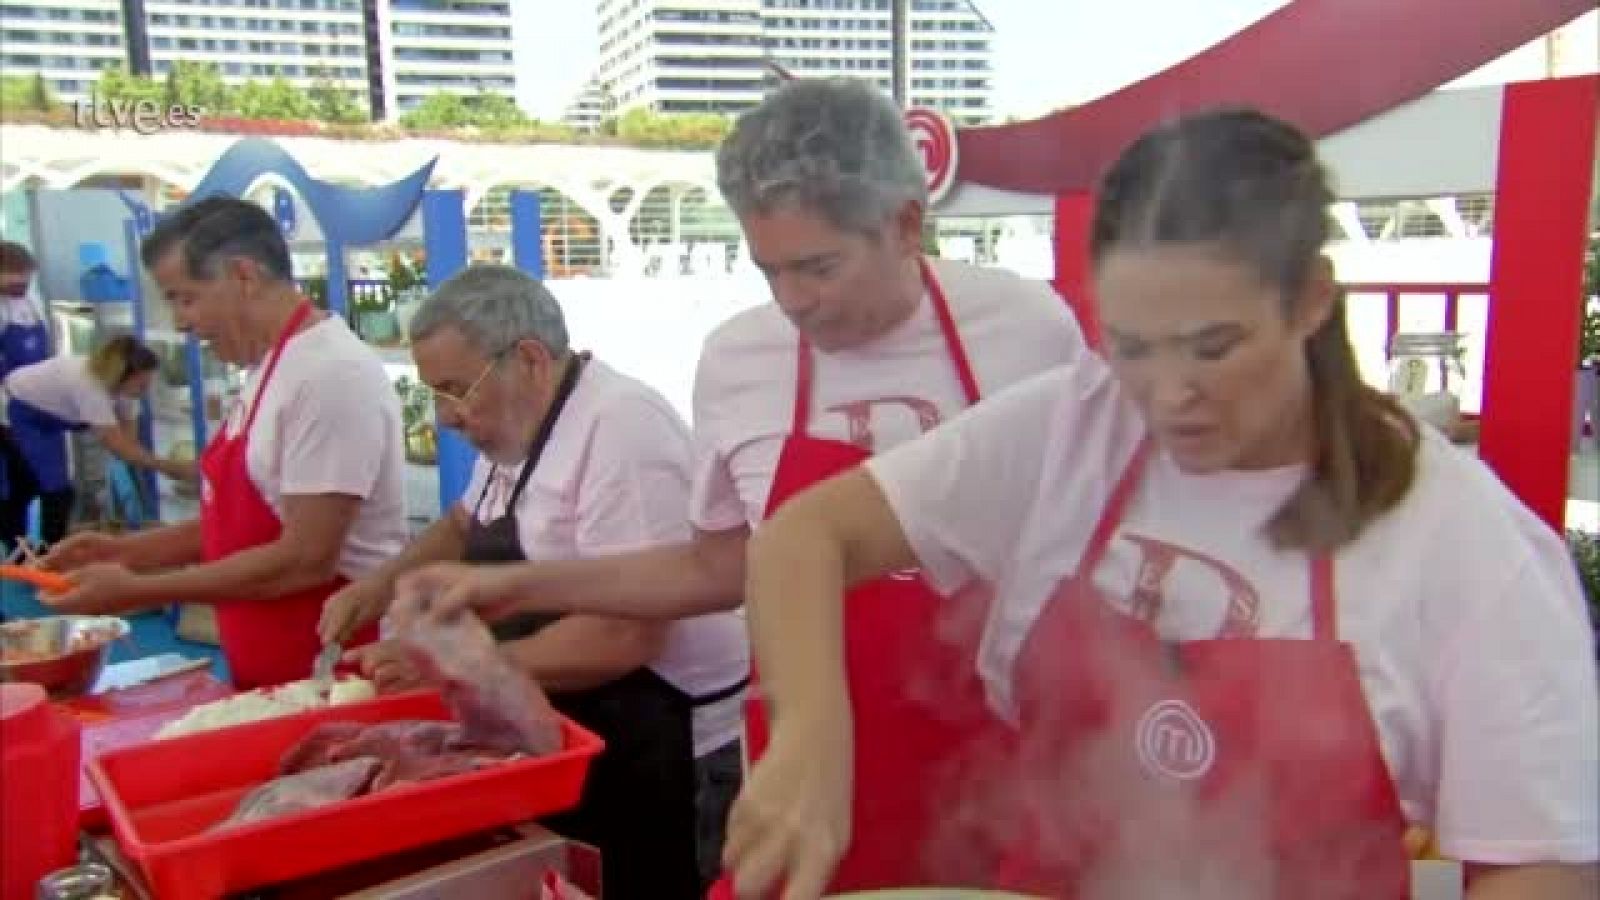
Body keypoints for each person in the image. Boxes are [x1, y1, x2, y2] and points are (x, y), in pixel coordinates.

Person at [718, 108, 1600, 900]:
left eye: (1213, 347)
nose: (1169, 394)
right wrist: (810, 741)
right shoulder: (1075, 424)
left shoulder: (1466, 543)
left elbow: (1539, 868)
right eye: (1132, 346)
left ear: (1312, 301)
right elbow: (806, 535)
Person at [392, 77, 1090, 892]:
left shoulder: (1029, 330)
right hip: (803, 763)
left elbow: (1082, 542)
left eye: (820, 266)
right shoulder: (738, 362)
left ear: (906, 223)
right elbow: (717, 568)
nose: (794, 301)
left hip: (998, 758)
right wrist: (512, 581)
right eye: (769, 270)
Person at [318, 265, 749, 899]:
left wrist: (460, 666)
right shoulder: (516, 436)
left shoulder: (620, 428)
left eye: (456, 390)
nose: (446, 417)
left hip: (671, 748)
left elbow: (624, 636)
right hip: (581, 732)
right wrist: (378, 584)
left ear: (529, 359)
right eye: (434, 393)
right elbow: (466, 523)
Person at [39, 195, 408, 691]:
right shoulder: (267, 368)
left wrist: (137, 590)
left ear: (244, 276)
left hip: (333, 668)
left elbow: (306, 558)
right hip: (270, 664)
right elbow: (241, 523)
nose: (181, 324)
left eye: (185, 297)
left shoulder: (328, 375)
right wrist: (124, 553)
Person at [0, 335, 196, 546]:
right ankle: (37, 557)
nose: (145, 391)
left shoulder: (123, 390)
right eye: (142, 385)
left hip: (47, 422)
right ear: (123, 376)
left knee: (50, 488)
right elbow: (118, 446)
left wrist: (141, 470)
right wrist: (172, 468)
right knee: (45, 490)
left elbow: (129, 444)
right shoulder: (89, 384)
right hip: (16, 408)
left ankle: (39, 550)